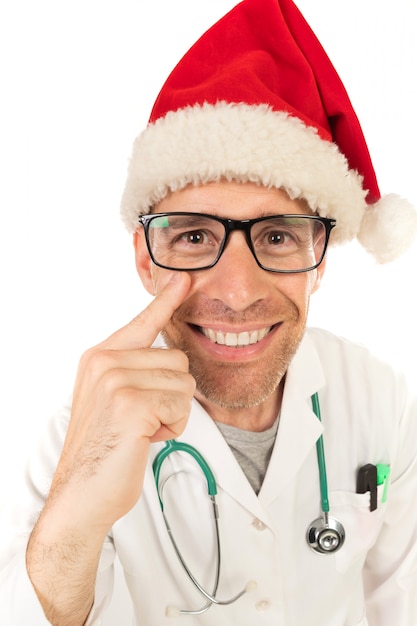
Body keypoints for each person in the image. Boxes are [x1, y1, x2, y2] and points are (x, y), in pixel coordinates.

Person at [1, 0, 417, 624]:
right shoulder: (76, 437)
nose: (240, 289)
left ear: (319, 256)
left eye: (277, 236)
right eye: (195, 238)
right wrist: (78, 507)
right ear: (145, 258)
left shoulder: (378, 397)